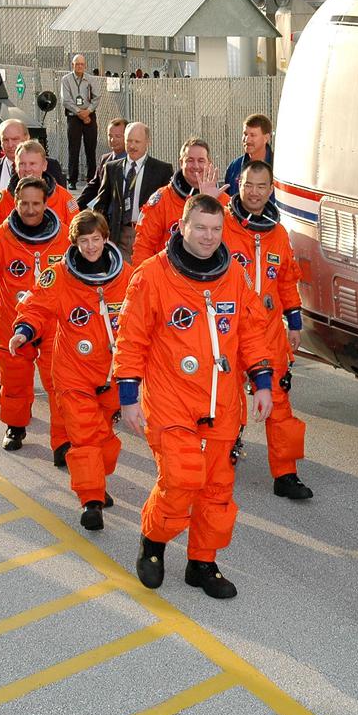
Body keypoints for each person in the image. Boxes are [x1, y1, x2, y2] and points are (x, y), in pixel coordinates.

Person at [115, 194, 274, 599]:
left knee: (217, 489)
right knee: (182, 478)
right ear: (182, 226)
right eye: (200, 228)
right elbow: (130, 339)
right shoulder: (152, 275)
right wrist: (128, 395)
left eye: (216, 229)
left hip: (221, 401)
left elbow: (252, 331)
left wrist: (263, 382)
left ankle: (202, 562)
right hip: (170, 399)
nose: (208, 237)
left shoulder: (233, 276)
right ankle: (153, 542)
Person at [10, 209, 130, 529]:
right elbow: (36, 306)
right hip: (73, 372)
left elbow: (147, 317)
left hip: (112, 374)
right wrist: (23, 331)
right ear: (74, 243)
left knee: (104, 440)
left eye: (96, 239)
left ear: (106, 239)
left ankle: (97, 482)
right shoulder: (59, 275)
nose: (90, 247)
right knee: (84, 436)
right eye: (83, 241)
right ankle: (91, 499)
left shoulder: (126, 277)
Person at [221, 159, 312, 500]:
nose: (255, 193)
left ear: (270, 189)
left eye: (262, 186)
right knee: (225, 401)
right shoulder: (222, 226)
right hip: (228, 328)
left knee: (278, 402)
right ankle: (220, 459)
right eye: (249, 185)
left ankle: (286, 473)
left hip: (269, 332)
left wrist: (296, 323)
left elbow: (287, 280)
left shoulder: (278, 233)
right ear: (239, 186)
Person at [0, 177, 70, 453]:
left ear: (46, 203)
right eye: (24, 203)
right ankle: (15, 425)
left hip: (53, 325)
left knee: (59, 382)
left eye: (36, 203)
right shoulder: (0, 236)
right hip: (13, 323)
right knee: (14, 379)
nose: (30, 209)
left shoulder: (64, 237)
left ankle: (62, 440)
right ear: (16, 202)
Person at [0, 119, 65, 274]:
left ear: (27, 138)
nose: (10, 144)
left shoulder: (50, 166)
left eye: (15, 139)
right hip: (4, 255)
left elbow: (65, 214)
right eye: (5, 140)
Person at [78, 121, 172, 261]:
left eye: (137, 141)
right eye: (129, 141)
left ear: (148, 142)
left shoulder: (161, 170)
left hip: (148, 234)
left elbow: (168, 205)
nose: (132, 146)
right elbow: (101, 203)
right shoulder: (111, 168)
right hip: (119, 233)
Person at [131, 137, 224, 267]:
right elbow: (143, 246)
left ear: (209, 163)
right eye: (190, 160)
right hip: (169, 275)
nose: (196, 166)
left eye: (201, 160)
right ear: (181, 163)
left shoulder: (222, 201)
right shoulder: (162, 199)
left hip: (211, 276)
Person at [0, 140, 78, 246]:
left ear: (44, 165)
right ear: (15, 167)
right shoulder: (1, 201)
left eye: (32, 164)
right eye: (22, 164)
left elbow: (77, 240)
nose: (27, 169)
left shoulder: (65, 199)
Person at [61, 54, 101, 189]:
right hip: (74, 117)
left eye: (81, 64)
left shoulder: (90, 79)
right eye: (77, 64)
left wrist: (88, 111)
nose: (79, 66)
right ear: (72, 65)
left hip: (89, 116)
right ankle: (72, 179)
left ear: (85, 66)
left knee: (91, 148)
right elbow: (66, 100)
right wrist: (80, 113)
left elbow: (97, 97)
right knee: (74, 149)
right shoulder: (66, 80)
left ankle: (92, 179)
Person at [223, 113, 274, 197]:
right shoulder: (235, 167)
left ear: (266, 138)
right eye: (245, 134)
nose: (247, 139)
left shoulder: (279, 168)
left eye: (252, 135)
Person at [81, 117, 128, 203]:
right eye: (110, 136)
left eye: (118, 136)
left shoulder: (133, 162)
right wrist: (74, 208)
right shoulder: (104, 159)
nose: (112, 140)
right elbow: (93, 187)